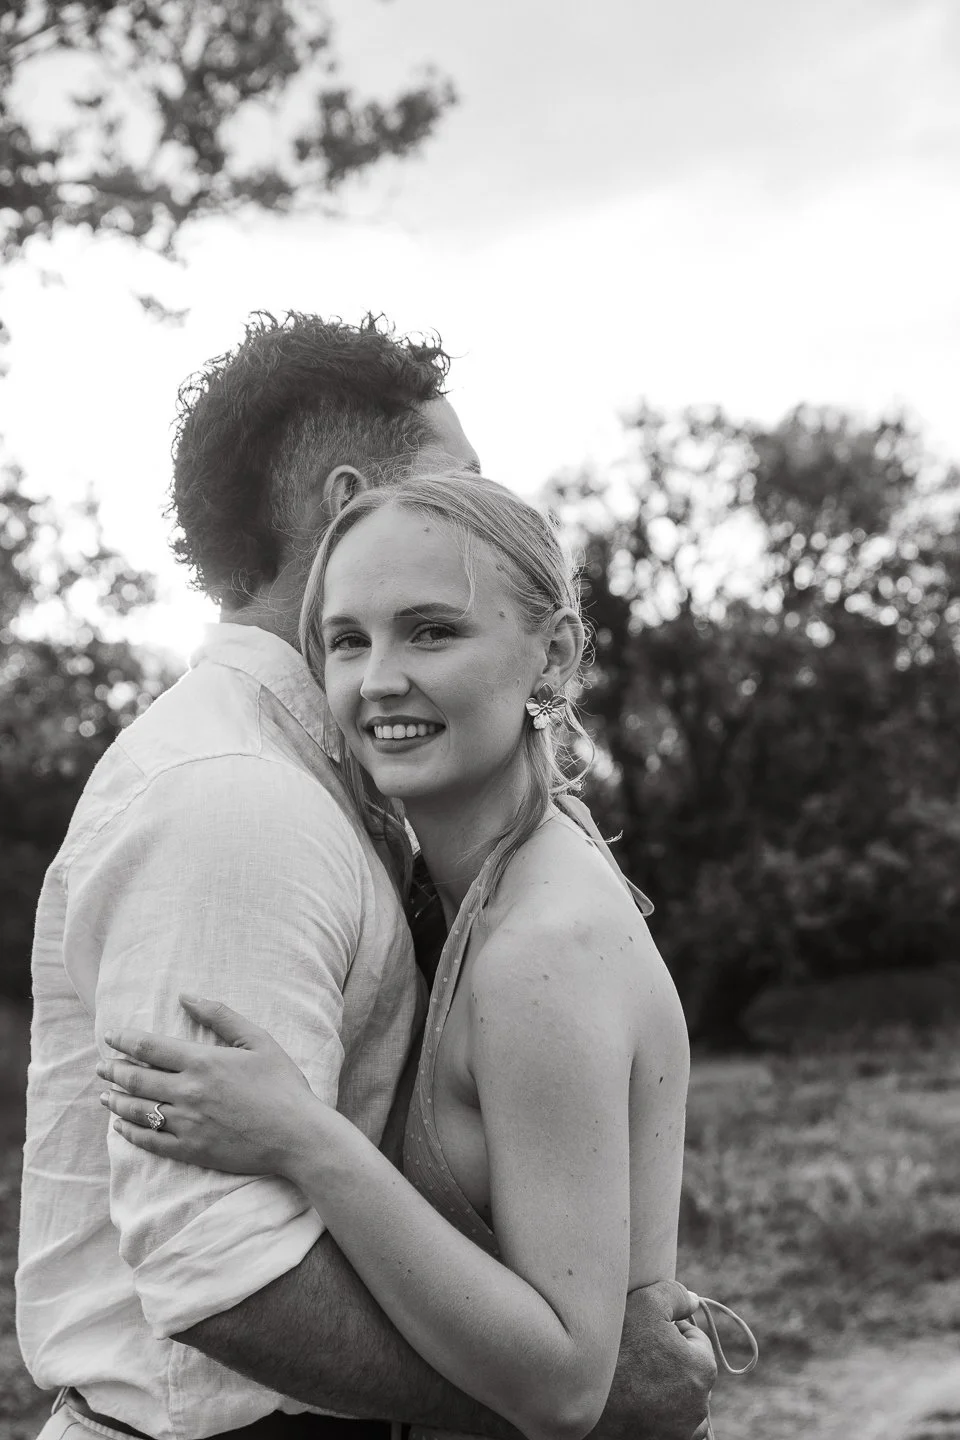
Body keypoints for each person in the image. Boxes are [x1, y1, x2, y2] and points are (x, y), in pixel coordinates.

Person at [17, 314, 717, 1440]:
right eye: (462, 480)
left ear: (550, 652)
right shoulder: (239, 798)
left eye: (430, 631)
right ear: (351, 504)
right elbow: (225, 1278)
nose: (489, 507)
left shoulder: (487, 866)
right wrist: (588, 1405)